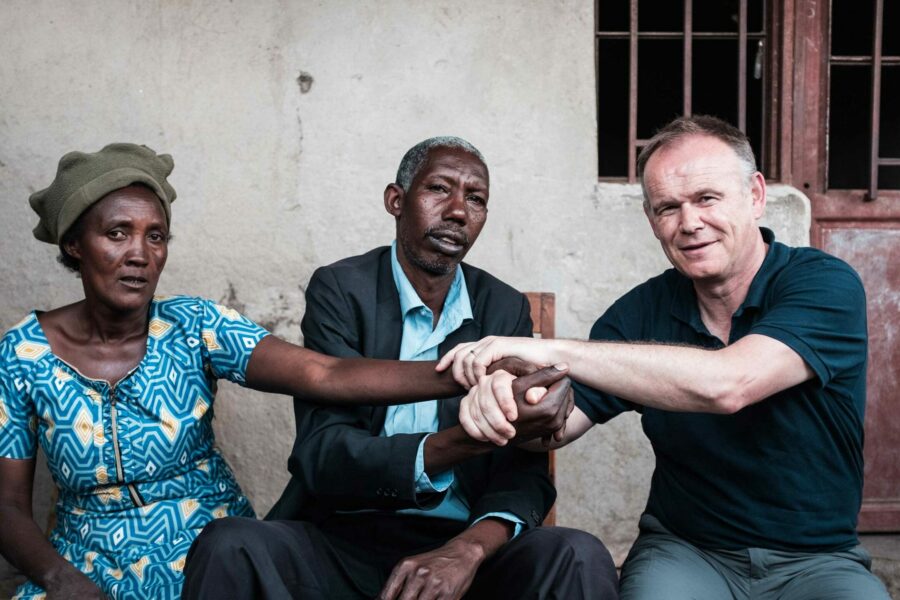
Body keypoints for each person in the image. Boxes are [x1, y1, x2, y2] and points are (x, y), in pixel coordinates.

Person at [0, 143, 498, 600]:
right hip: (81, 565)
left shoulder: (195, 326)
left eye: (156, 236)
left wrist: (468, 372)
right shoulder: (21, 355)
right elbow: (6, 505)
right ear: (74, 245)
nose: (140, 254)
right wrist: (62, 580)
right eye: (116, 234)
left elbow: (325, 375)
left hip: (205, 555)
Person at [438, 117, 890, 599]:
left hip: (817, 561)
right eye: (667, 208)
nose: (689, 223)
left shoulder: (824, 283)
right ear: (652, 221)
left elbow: (730, 384)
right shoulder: (637, 314)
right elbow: (558, 427)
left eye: (707, 199)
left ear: (755, 195)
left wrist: (547, 347)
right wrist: (504, 405)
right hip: (688, 552)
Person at [182, 137, 619, 599]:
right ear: (396, 200)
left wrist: (467, 551)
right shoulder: (342, 290)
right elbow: (324, 454)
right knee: (231, 544)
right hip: (343, 541)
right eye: (439, 189)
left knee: (577, 554)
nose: (457, 211)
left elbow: (521, 473)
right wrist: (458, 443)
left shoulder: (502, 307)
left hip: (463, 541)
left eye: (476, 199)